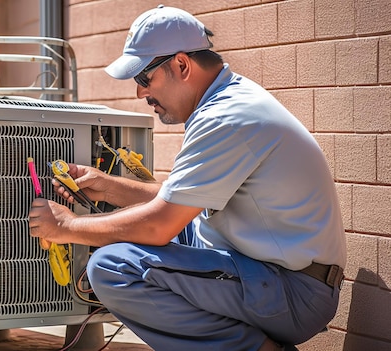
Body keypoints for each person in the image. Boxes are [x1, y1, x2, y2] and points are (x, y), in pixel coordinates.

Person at [28, 5, 346, 351]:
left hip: (292, 291)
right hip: (271, 274)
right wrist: (108, 186)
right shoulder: (226, 100)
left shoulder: (226, 118)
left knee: (111, 267)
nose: (139, 93)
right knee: (151, 231)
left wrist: (67, 227)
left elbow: (159, 225)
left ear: (181, 65)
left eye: (143, 78)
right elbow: (177, 202)